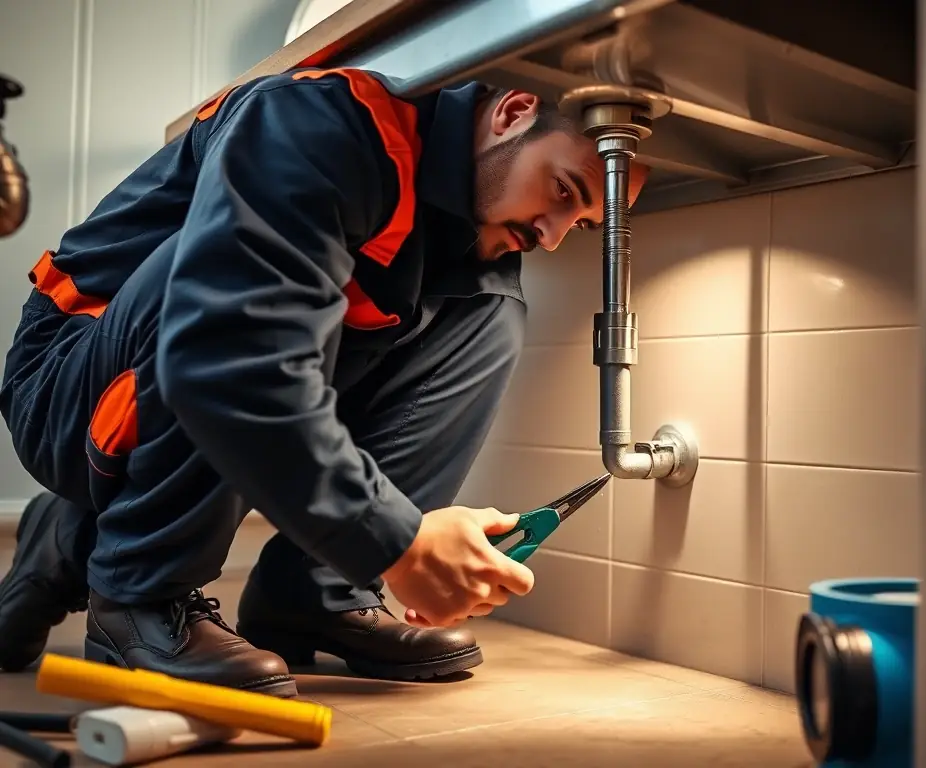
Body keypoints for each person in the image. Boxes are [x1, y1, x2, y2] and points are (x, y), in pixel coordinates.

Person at [0, 68, 647, 698]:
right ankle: (136, 582)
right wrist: (398, 540)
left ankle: (314, 594)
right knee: (230, 287)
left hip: (166, 377)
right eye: (564, 192)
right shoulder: (319, 123)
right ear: (512, 114)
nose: (554, 237)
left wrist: (372, 548)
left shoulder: (462, 231)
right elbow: (231, 352)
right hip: (66, 379)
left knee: (489, 309)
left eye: (583, 223)